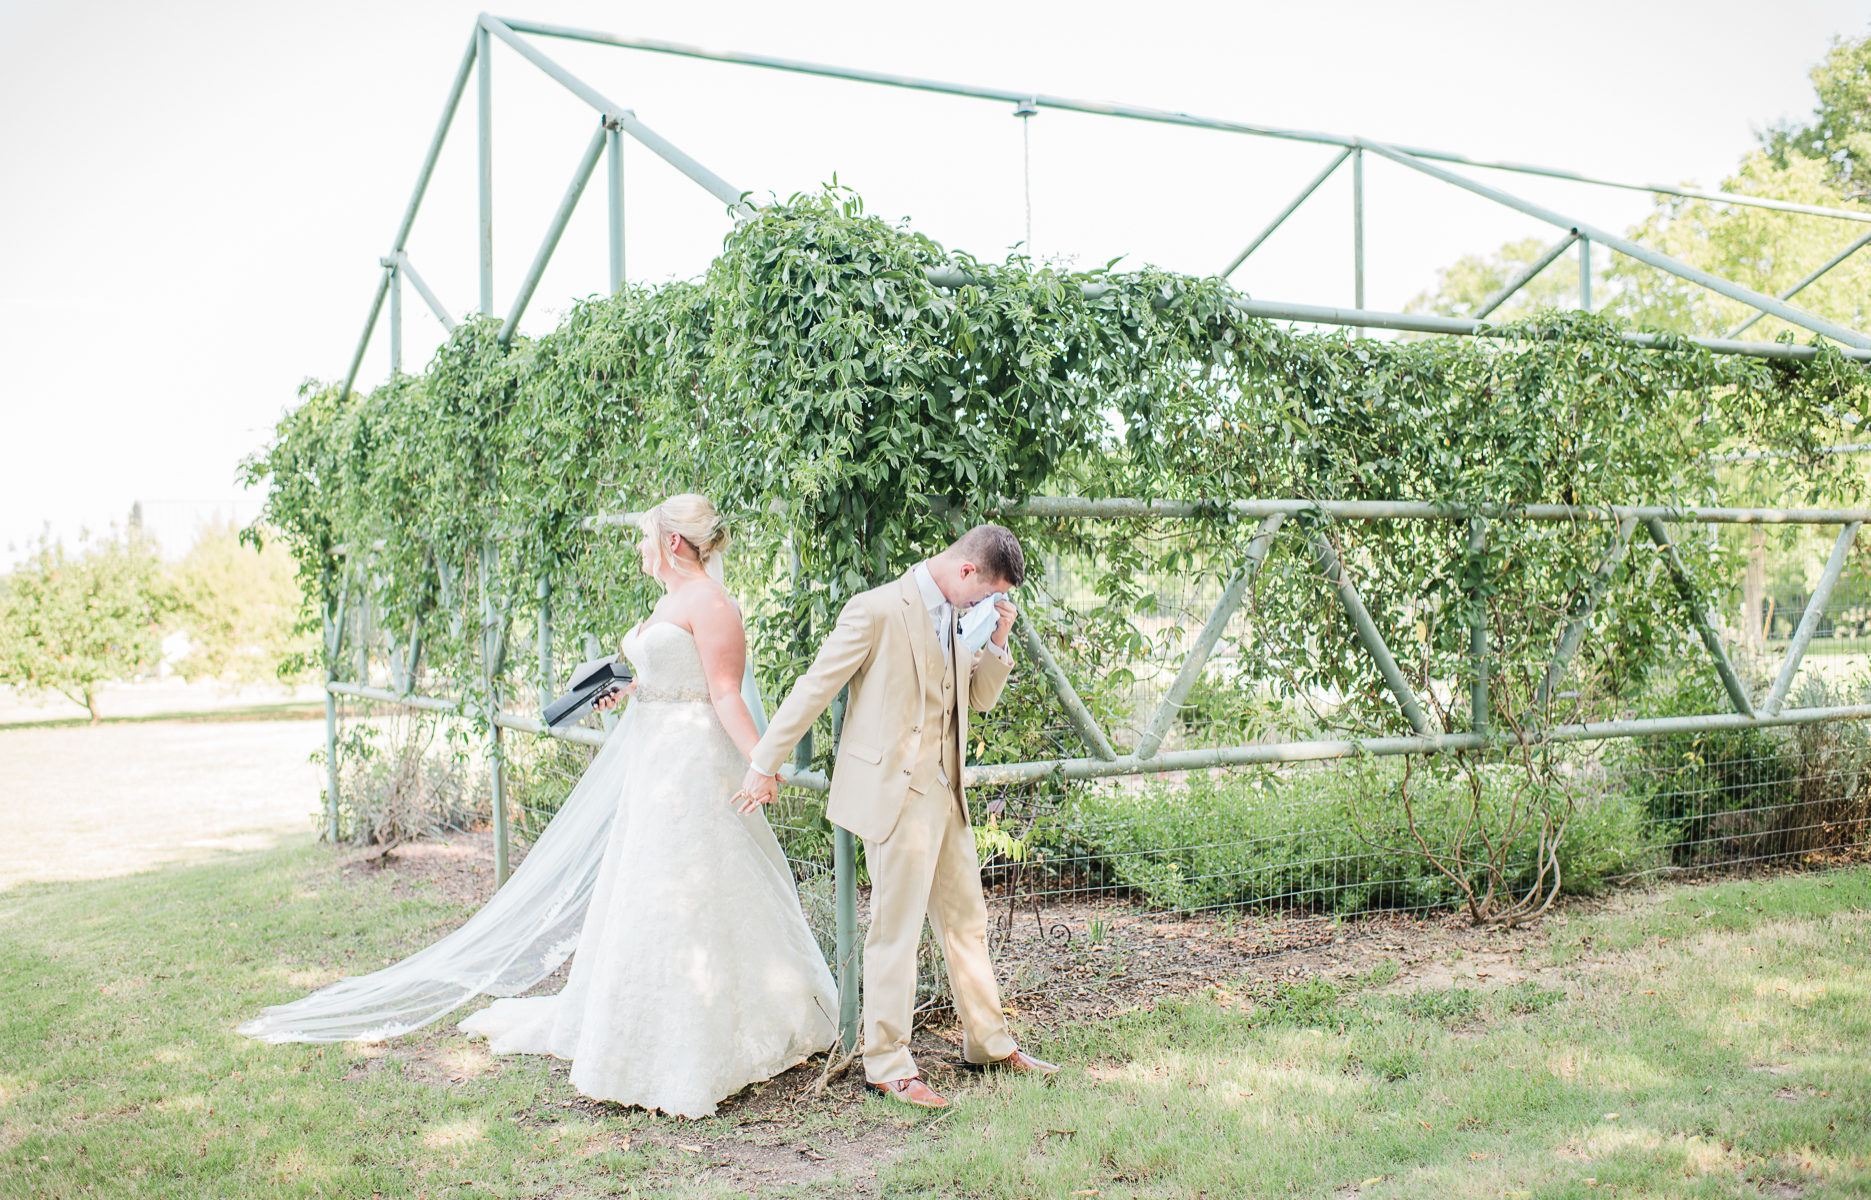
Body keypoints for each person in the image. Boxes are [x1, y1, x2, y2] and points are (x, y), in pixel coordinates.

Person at [240, 495, 837, 1120]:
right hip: (657, 762)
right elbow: (678, 680)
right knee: (647, 888)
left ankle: (713, 1033)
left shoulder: (716, 606)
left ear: (673, 544)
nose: (639, 549)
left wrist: (761, 764)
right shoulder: (668, 602)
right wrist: (633, 689)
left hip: (694, 765)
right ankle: (644, 1021)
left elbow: (723, 693)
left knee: (704, 885)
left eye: (645, 538)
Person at [734, 524, 1061, 1109]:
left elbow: (978, 700)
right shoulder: (877, 610)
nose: (986, 605)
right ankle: (887, 1062)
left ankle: (988, 1042)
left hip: (948, 793)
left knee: (967, 924)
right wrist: (765, 762)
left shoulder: (967, 619)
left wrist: (998, 640)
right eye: (986, 595)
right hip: (896, 795)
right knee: (895, 933)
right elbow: (815, 687)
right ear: (966, 573)